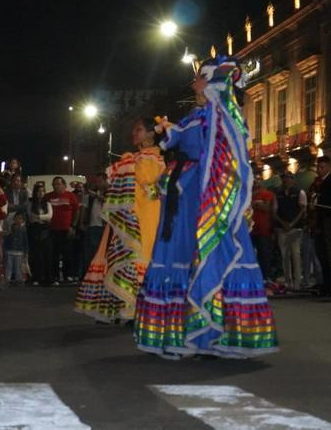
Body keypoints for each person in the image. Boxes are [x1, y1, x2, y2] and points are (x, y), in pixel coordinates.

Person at [134, 57, 278, 358]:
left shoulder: (223, 114)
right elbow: (182, 137)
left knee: (208, 254)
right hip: (183, 195)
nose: (193, 82)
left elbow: (220, 155)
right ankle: (187, 334)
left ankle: (215, 334)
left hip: (205, 197)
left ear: (214, 83)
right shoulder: (200, 114)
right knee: (180, 256)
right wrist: (168, 130)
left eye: (199, 77)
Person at [75, 116, 165, 322]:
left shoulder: (153, 159)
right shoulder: (135, 158)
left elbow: (151, 190)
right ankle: (126, 309)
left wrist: (128, 169)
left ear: (151, 133)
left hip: (144, 216)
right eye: (134, 130)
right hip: (127, 217)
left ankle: (139, 311)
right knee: (122, 258)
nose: (134, 134)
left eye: (139, 130)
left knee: (138, 258)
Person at [310, 155, 331, 296]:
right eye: (318, 167)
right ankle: (326, 283)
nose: (319, 169)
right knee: (321, 254)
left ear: (329, 167)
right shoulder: (317, 183)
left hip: (329, 222)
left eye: (322, 167)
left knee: (329, 254)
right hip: (319, 222)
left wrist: (318, 200)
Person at [273, 171, 307, 290]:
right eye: (284, 178)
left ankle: (297, 282)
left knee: (296, 255)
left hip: (295, 229)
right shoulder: (278, 194)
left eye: (288, 178)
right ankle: (288, 282)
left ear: (293, 179)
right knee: (285, 256)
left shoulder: (299, 192)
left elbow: (302, 210)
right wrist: (283, 223)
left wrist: (292, 223)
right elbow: (274, 211)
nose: (286, 180)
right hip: (282, 229)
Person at [44, 177, 80, 285]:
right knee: (54, 254)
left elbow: (76, 211)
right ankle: (55, 276)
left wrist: (73, 226)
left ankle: (67, 275)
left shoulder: (71, 196)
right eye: (54, 184)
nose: (57, 186)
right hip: (53, 230)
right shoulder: (48, 197)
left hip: (66, 229)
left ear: (64, 185)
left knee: (67, 253)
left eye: (59, 184)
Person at [251, 177, 276, 285]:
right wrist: (258, 204)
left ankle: (267, 276)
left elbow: (267, 208)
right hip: (252, 230)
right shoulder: (249, 194)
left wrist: (255, 205)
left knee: (265, 254)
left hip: (264, 229)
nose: (256, 182)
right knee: (253, 255)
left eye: (258, 180)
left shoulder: (268, 194)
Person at [27, 183, 52, 286]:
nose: (41, 193)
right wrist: (41, 217)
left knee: (46, 254)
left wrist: (39, 217)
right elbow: (31, 216)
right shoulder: (31, 204)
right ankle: (36, 277)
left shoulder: (48, 204)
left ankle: (47, 278)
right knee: (36, 254)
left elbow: (49, 216)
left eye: (43, 191)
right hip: (34, 229)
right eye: (39, 191)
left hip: (45, 230)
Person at [3, 212, 29, 285]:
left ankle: (19, 280)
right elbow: (6, 239)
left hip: (19, 251)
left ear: (22, 220)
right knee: (9, 266)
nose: (18, 220)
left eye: (20, 218)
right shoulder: (10, 229)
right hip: (9, 250)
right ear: (14, 219)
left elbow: (25, 242)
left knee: (18, 267)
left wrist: (26, 252)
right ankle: (7, 279)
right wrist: (5, 249)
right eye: (17, 218)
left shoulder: (23, 230)